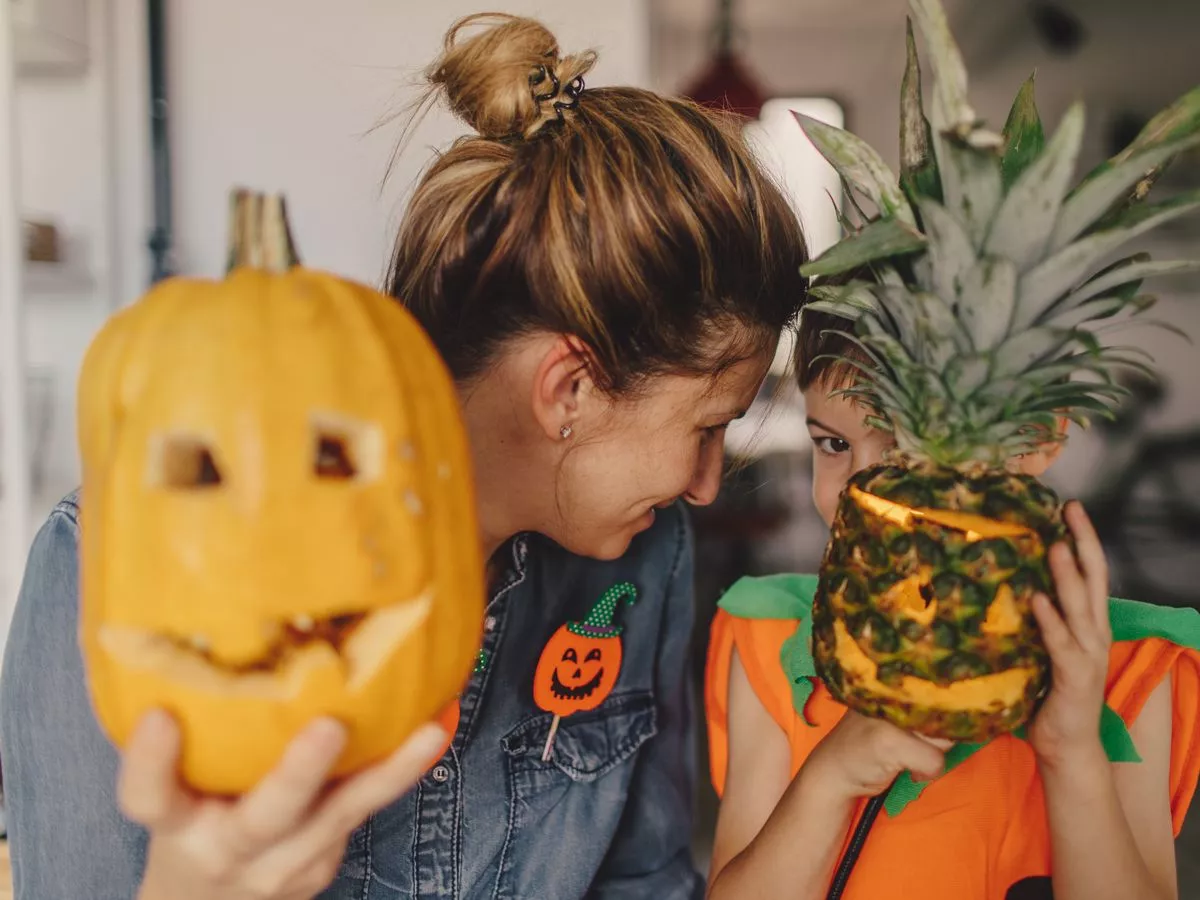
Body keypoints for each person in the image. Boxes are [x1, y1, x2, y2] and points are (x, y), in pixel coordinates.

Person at [0, 13, 809, 900]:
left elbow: (641, 884)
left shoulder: (641, 561)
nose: (704, 486)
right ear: (568, 389)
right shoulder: (107, 555)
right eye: (705, 428)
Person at [702, 299, 1200, 899]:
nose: (858, 487)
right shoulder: (770, 638)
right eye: (832, 443)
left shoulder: (1131, 669)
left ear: (1036, 438)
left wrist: (1073, 758)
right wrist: (828, 778)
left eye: (906, 448)